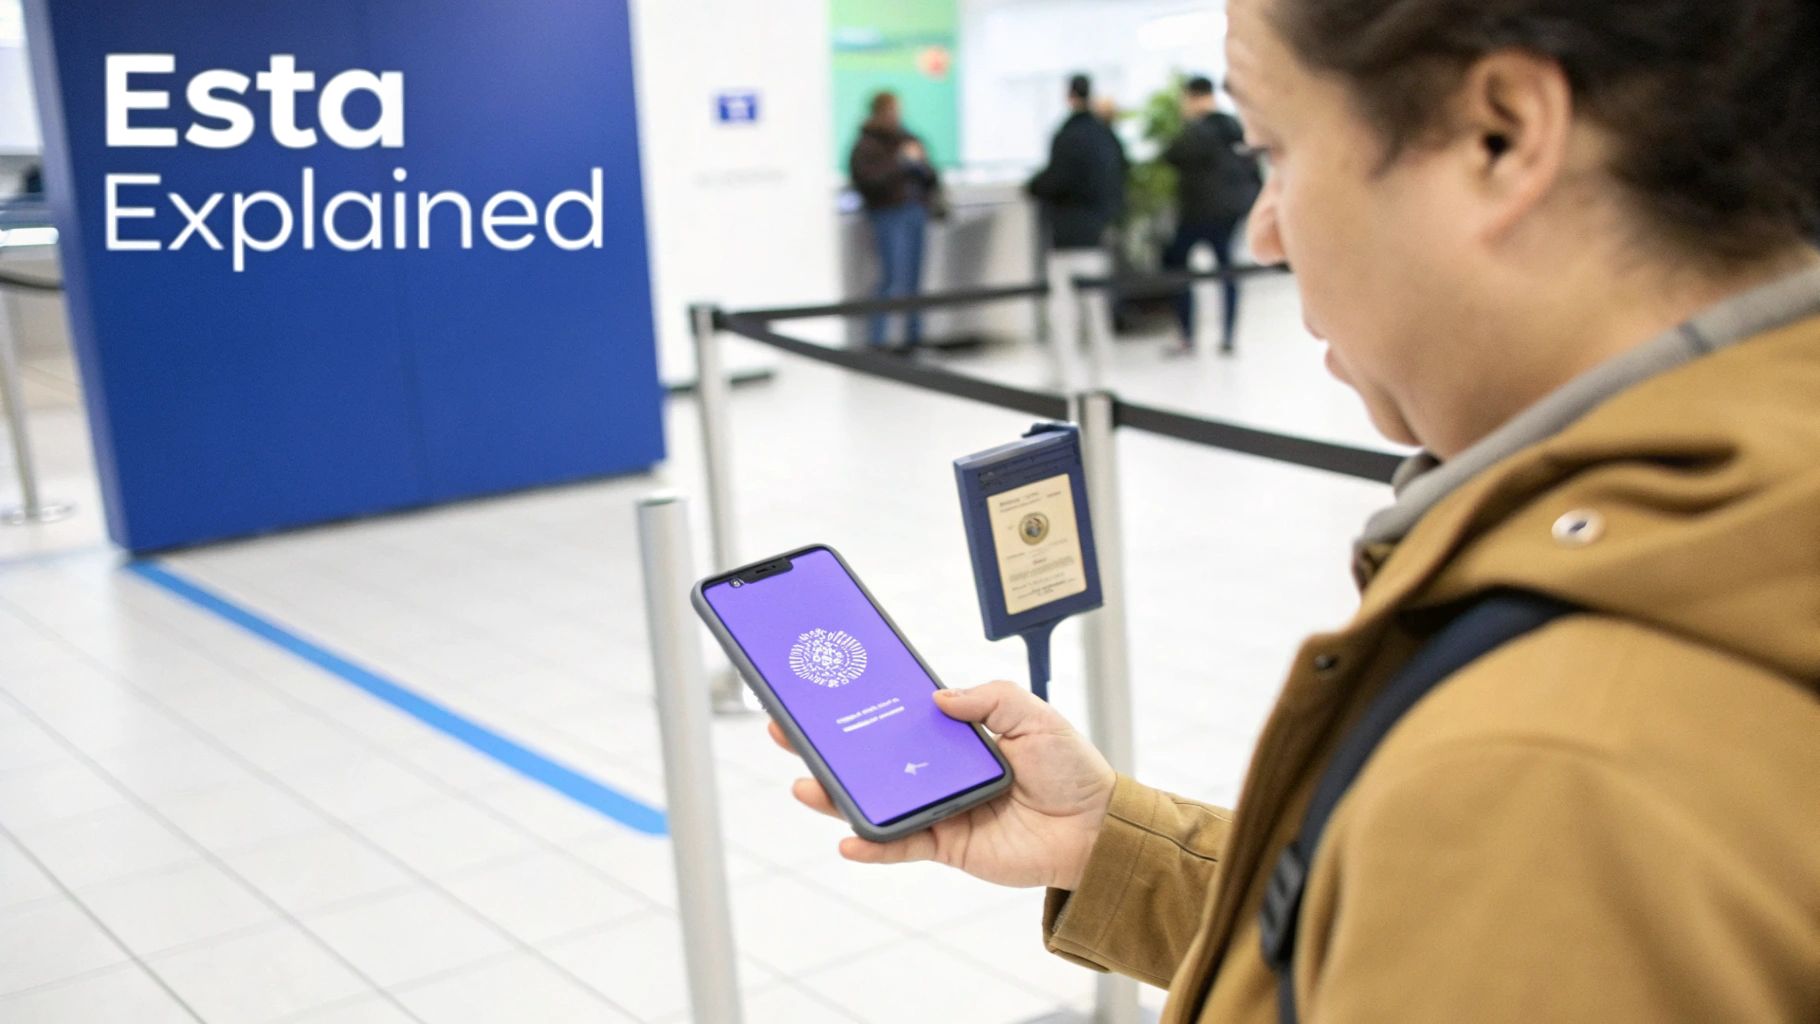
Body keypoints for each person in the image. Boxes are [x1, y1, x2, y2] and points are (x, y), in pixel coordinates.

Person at [772, 0, 1820, 1020]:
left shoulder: (1550, 774)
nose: (1265, 233)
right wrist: (1109, 845)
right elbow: (1392, 945)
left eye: (1271, 147)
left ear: (1497, 137)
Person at [1027, 73, 1128, 389]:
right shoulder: (1106, 135)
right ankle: (1102, 373)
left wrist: (1035, 186)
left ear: (1069, 96)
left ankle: (1062, 372)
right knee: (1096, 309)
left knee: (1063, 311)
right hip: (1098, 231)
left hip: (1067, 232)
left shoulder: (1067, 135)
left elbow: (1055, 180)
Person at [1161, 76, 1261, 356]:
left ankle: (1188, 336)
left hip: (1198, 214)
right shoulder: (1233, 127)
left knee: (1176, 265)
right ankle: (1228, 335)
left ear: (1192, 98)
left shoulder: (1196, 131)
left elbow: (1171, 155)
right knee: (1227, 269)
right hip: (1231, 214)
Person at [849, 92, 941, 350]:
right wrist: (900, 163)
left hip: (915, 211)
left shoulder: (909, 138)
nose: (896, 115)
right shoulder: (867, 145)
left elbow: (932, 175)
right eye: (890, 110)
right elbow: (868, 181)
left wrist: (919, 164)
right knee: (890, 278)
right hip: (888, 214)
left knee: (914, 278)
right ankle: (878, 341)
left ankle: (914, 337)